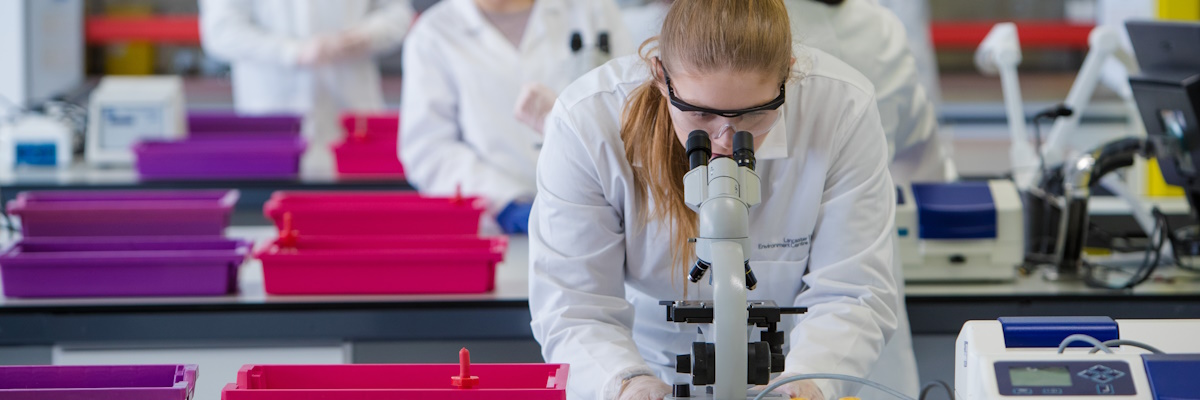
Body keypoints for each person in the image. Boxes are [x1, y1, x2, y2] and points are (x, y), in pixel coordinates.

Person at [529, 1, 917, 399]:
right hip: (645, 367)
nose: (725, 141)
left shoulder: (840, 110)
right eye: (700, 115)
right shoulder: (589, 121)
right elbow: (575, 306)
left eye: (753, 116)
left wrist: (804, 385)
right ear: (661, 78)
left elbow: (851, 290)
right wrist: (626, 383)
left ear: (788, 76)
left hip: (793, 371)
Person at [399, 0, 634, 234]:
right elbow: (429, 148)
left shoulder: (594, 11)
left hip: (601, 219)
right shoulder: (433, 34)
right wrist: (506, 203)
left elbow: (634, 110)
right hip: (496, 227)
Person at [199, 0, 414, 147]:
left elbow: (398, 14)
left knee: (355, 202)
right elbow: (221, 30)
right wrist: (292, 52)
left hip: (352, 108)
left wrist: (362, 37)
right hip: (273, 111)